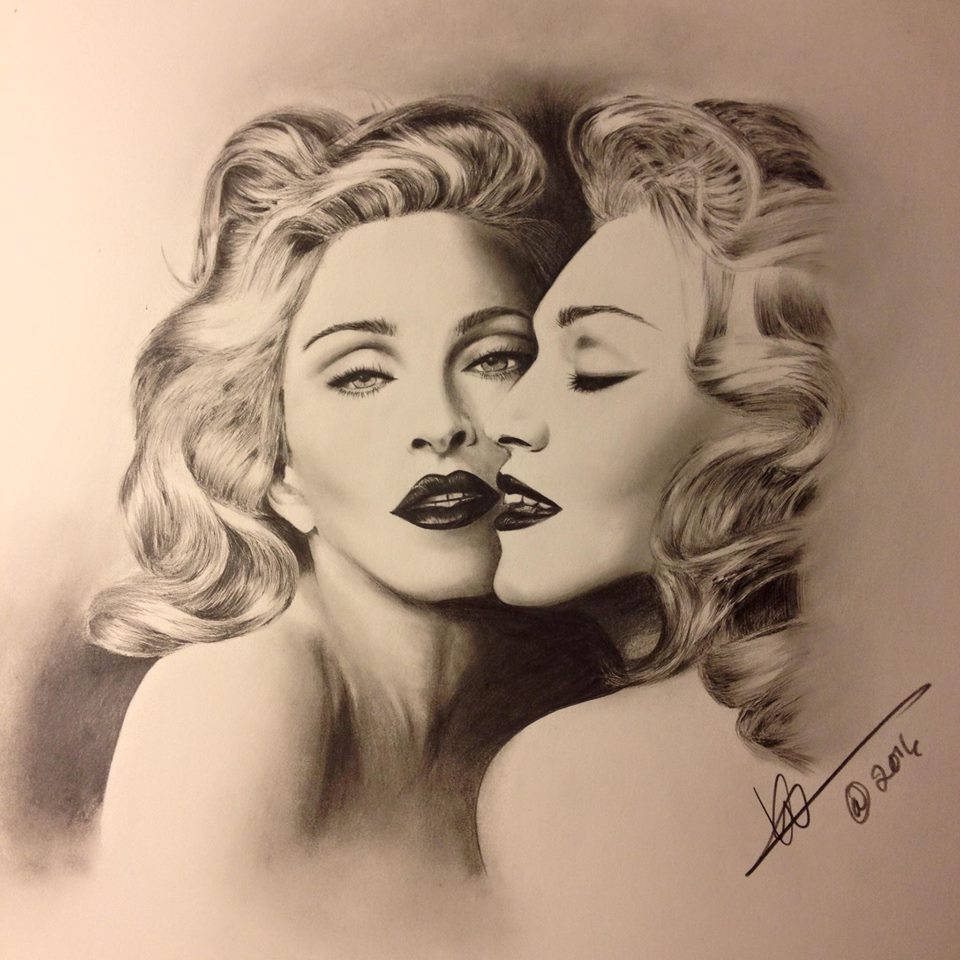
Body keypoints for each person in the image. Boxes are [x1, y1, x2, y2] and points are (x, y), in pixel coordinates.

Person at [87, 98, 619, 889]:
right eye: (363, 375)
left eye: (494, 359)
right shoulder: (231, 697)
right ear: (274, 461)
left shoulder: (574, 686)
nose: (442, 425)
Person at [478, 97, 842, 928]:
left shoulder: (573, 781)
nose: (507, 420)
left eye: (593, 369)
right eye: (527, 361)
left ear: (782, 423)